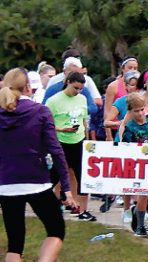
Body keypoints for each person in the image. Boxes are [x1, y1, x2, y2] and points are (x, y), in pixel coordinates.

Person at [0, 68, 76, 262]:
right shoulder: (40, 111)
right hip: (36, 180)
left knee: (15, 242)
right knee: (55, 229)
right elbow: (56, 151)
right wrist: (67, 189)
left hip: (5, 184)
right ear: (28, 88)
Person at [46, 71, 96, 222]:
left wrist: (87, 140)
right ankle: (48, 205)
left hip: (79, 140)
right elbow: (46, 125)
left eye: (80, 89)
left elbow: (84, 121)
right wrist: (61, 129)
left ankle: (83, 210)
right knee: (55, 175)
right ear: (68, 82)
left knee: (83, 176)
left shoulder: (81, 99)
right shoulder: (53, 101)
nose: (78, 91)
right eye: (75, 88)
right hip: (61, 142)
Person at [121, 93, 148, 238]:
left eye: (142, 109)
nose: (140, 113)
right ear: (130, 111)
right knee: (143, 194)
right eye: (136, 111)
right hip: (139, 166)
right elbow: (127, 148)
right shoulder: (130, 128)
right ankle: (140, 226)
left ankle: (137, 213)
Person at [104, 56, 139, 141]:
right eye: (130, 67)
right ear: (123, 69)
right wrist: (108, 135)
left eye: (135, 68)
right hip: (116, 127)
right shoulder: (113, 86)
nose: (133, 70)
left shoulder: (140, 85)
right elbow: (107, 111)